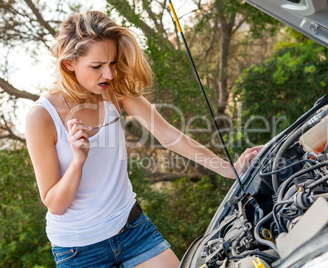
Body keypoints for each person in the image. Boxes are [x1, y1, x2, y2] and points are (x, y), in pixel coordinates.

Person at [25, 11, 262, 268]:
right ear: (69, 63)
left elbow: (170, 135)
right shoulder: (41, 117)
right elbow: (55, 204)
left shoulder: (113, 92)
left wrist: (229, 169)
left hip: (133, 230)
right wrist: (78, 160)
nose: (109, 75)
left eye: (112, 63)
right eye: (97, 66)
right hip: (79, 251)